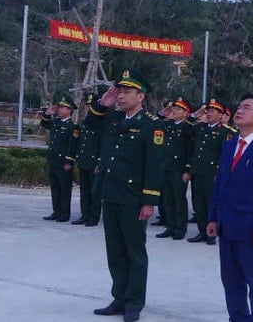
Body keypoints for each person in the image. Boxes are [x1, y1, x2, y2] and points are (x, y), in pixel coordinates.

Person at [93, 69, 164, 322]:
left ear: (140, 96)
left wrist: (149, 201)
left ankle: (134, 302)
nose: (121, 96)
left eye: (126, 92)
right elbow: (89, 127)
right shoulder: (113, 119)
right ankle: (119, 298)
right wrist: (103, 105)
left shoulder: (151, 126)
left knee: (134, 252)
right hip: (110, 192)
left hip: (133, 198)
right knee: (115, 251)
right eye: (119, 92)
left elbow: (155, 166)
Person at [208, 95, 253, 322]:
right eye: (239, 106)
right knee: (230, 278)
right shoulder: (230, 145)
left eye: (247, 108)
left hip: (250, 227)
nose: (239, 111)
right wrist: (213, 218)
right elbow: (220, 183)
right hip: (226, 224)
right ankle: (238, 317)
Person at [190, 100, 235, 244]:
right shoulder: (201, 128)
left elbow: (227, 156)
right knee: (199, 203)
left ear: (221, 115)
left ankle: (212, 233)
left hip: (212, 173)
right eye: (207, 111)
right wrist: (196, 113)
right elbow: (186, 126)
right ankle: (202, 231)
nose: (209, 114)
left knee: (211, 203)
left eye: (213, 111)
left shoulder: (226, 132)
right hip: (198, 171)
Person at [157, 97, 194, 240]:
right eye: (174, 108)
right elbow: (154, 123)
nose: (174, 111)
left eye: (178, 109)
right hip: (166, 167)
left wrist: (187, 169)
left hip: (179, 169)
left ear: (185, 113)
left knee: (179, 200)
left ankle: (180, 228)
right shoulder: (168, 126)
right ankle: (170, 226)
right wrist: (163, 113)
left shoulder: (187, 128)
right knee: (168, 199)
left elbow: (189, 150)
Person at [40, 89, 77, 223]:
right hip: (54, 160)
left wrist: (69, 162)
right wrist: (47, 113)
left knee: (64, 188)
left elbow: (72, 146)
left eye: (62, 108)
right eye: (59, 107)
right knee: (55, 187)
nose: (59, 110)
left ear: (69, 110)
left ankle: (64, 213)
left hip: (63, 162)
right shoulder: (56, 123)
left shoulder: (72, 127)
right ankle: (56, 211)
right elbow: (44, 123)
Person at [73, 93, 107, 227]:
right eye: (87, 105)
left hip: (94, 163)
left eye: (90, 105)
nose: (89, 108)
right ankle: (84, 214)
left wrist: (100, 162)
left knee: (95, 191)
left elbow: (103, 144)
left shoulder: (101, 122)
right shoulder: (87, 120)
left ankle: (94, 216)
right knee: (84, 190)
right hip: (84, 161)